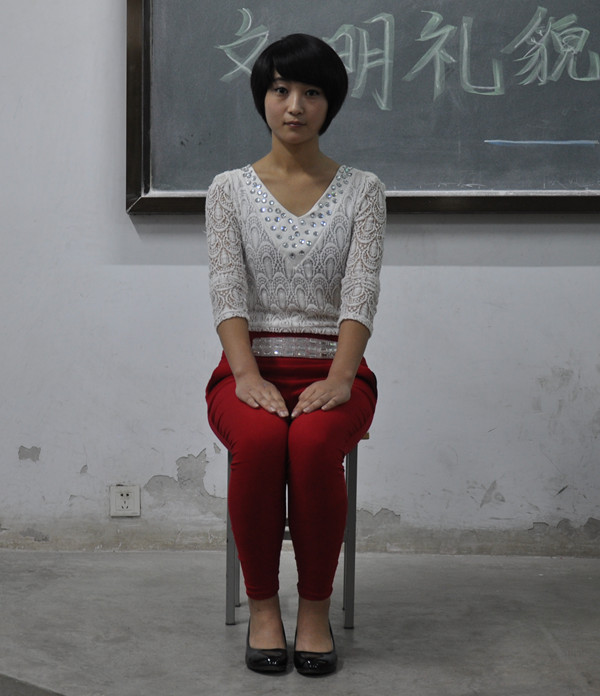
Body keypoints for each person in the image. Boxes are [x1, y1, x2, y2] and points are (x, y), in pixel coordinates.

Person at [205, 33, 386, 675]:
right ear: (263, 97)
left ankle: (314, 610)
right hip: (247, 369)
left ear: (330, 103)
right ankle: (263, 607)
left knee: (310, 446)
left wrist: (341, 378)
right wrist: (246, 373)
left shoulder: (363, 190)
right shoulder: (227, 190)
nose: (295, 106)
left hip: (337, 370)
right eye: (281, 89)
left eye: (312, 92)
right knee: (258, 442)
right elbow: (227, 289)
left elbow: (360, 293)